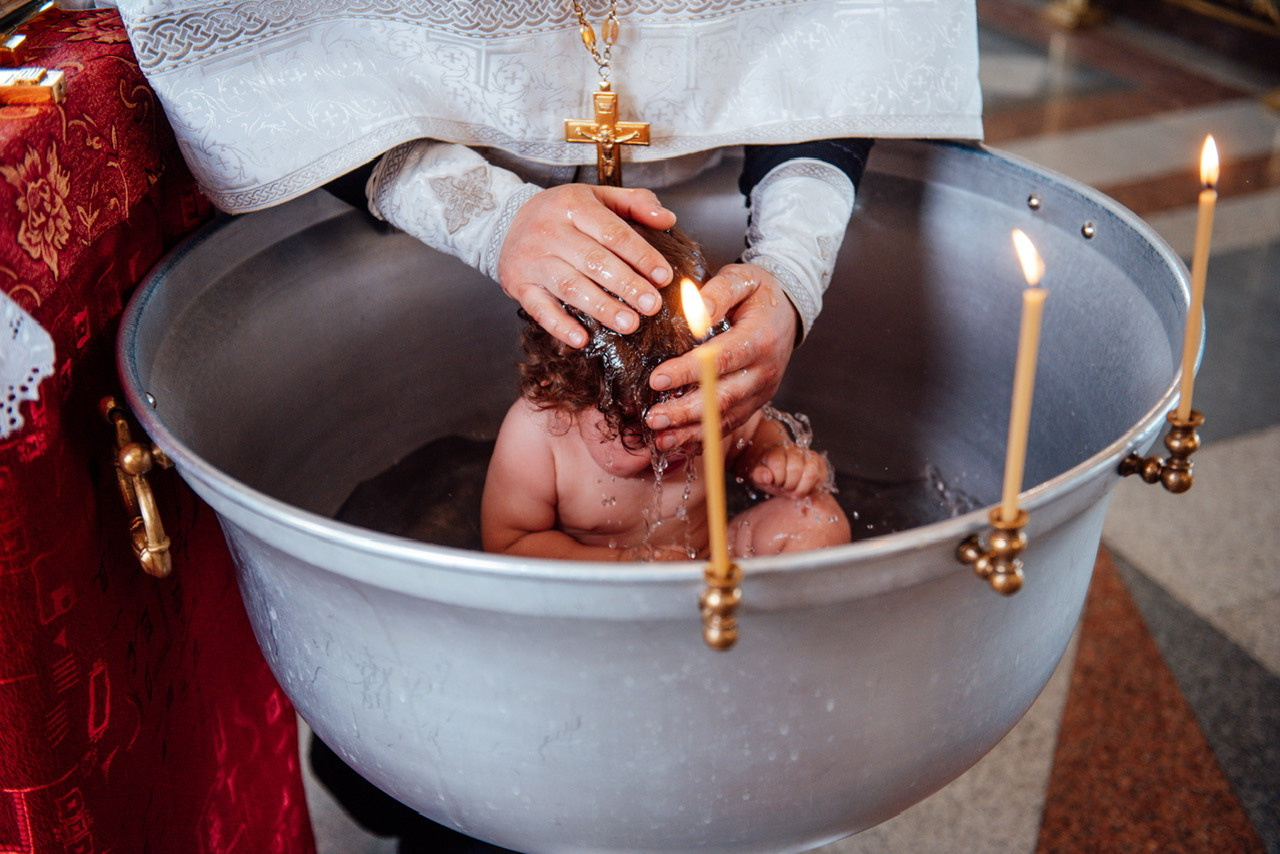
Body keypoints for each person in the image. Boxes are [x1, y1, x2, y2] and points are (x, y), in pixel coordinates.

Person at [482, 222, 850, 561]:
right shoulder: (539, 431)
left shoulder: (710, 392)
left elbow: (754, 435)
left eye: (692, 413)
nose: (674, 440)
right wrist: (624, 566)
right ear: (566, 395)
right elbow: (511, 543)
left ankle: (760, 624)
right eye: (638, 431)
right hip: (603, 588)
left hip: (709, 561)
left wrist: (775, 459)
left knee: (816, 517)